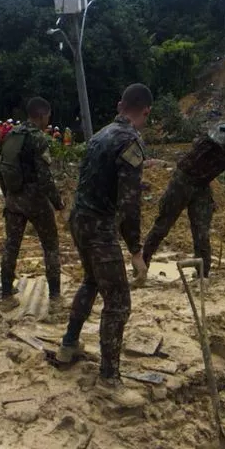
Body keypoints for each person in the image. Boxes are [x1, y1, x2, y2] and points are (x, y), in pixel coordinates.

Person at [58, 84, 153, 409]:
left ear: (119, 104)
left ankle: (69, 344)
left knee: (91, 281)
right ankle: (109, 379)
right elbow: (129, 205)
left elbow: (97, 178)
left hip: (79, 219)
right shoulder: (132, 141)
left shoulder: (101, 134)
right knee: (119, 302)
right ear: (145, 112)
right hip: (100, 226)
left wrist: (135, 179)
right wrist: (136, 252)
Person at [143, 114, 225, 277]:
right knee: (163, 226)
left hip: (202, 187)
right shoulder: (224, 129)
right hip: (182, 180)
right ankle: (142, 265)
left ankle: (202, 274)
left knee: (202, 233)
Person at [0, 97, 64, 304]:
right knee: (51, 246)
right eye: (48, 116)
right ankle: (54, 296)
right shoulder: (38, 138)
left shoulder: (11, 135)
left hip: (14, 199)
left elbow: (2, 170)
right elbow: (45, 179)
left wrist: (8, 195)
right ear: (43, 115)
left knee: (11, 246)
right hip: (36, 202)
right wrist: (58, 203)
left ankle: (6, 293)